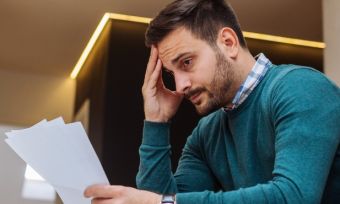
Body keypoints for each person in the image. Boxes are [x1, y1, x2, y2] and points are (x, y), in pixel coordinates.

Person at [84, 0, 340, 203]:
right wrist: (156, 122)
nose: (180, 86)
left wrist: (158, 203)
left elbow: (292, 197)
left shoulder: (300, 88)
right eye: (172, 74)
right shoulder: (206, 133)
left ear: (228, 43)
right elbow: (164, 200)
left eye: (187, 62)